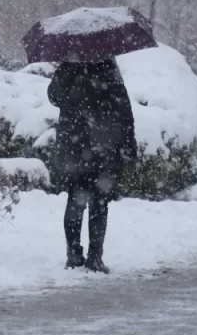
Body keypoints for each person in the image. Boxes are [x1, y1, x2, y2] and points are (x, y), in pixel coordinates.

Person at [47, 58, 138, 274]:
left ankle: (74, 254)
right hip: (102, 146)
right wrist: (128, 143)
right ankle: (95, 257)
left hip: (74, 147)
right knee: (99, 203)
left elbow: (54, 97)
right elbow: (124, 109)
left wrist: (67, 74)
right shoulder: (107, 68)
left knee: (75, 201)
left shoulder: (67, 69)